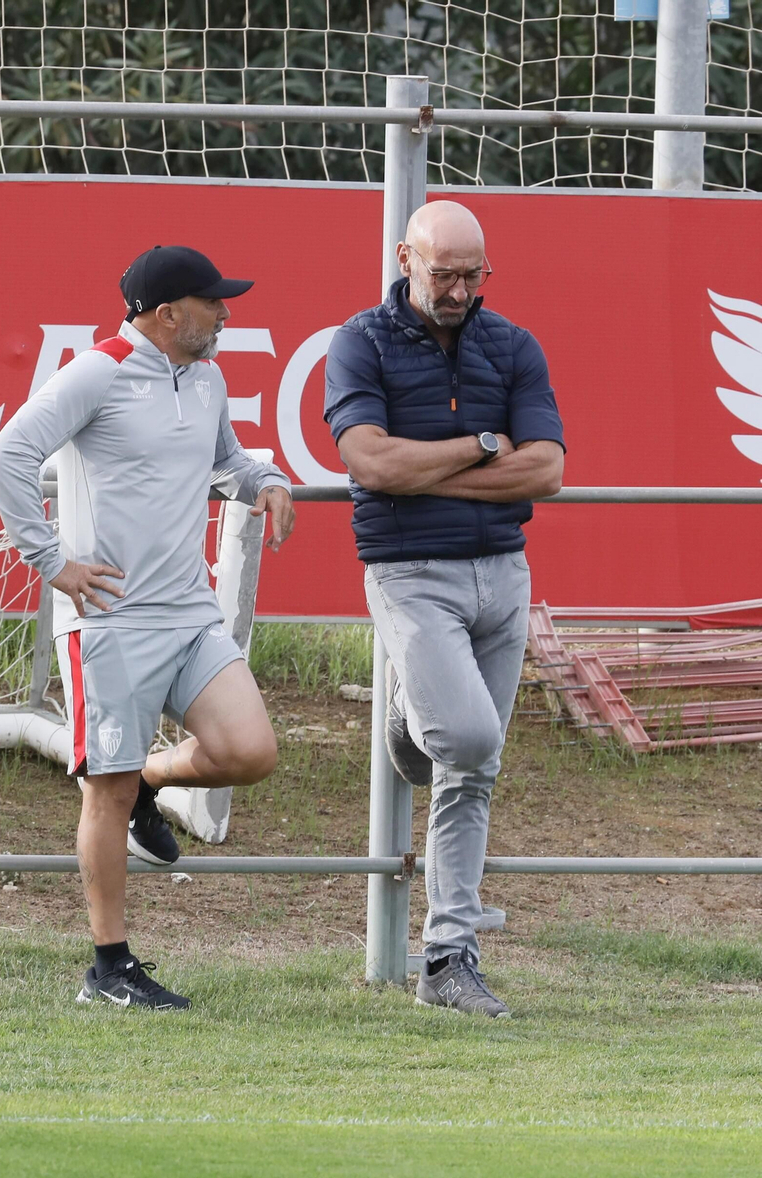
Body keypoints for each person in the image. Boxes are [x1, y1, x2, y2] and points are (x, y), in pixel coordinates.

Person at [0, 245, 296, 1011]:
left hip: (189, 612)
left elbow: (226, 461)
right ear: (167, 315)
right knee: (105, 794)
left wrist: (267, 479)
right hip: (109, 622)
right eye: (213, 303)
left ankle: (151, 784)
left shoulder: (209, 377)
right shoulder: (98, 370)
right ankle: (109, 969)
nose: (226, 314)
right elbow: (7, 456)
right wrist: (52, 561)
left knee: (250, 751)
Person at [323, 200, 565, 1018]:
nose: (460, 289)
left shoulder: (515, 344)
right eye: (444, 273)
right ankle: (407, 721)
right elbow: (369, 460)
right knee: (466, 739)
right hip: (410, 568)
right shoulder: (359, 340)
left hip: (504, 569)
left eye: (474, 274)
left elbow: (547, 470)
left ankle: (448, 959)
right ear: (405, 258)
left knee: (474, 768)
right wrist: (479, 446)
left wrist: (429, 470)